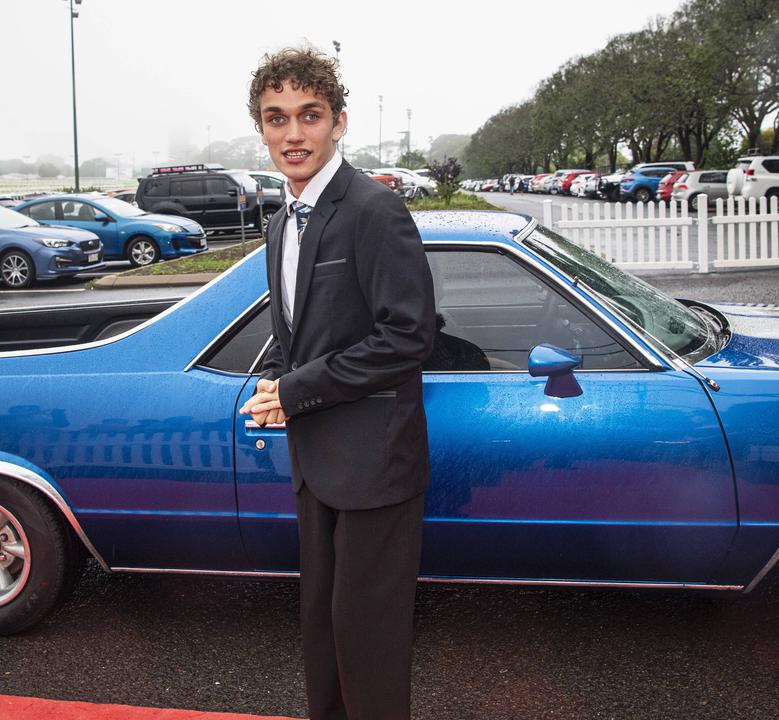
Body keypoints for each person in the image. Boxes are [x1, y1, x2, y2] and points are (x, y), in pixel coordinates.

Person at [239, 47, 436, 720]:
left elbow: (408, 337)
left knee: (368, 642)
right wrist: (275, 382)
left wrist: (298, 392)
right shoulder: (279, 223)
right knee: (322, 635)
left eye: (309, 115)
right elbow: (300, 335)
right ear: (262, 129)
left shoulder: (374, 210)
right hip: (314, 461)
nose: (293, 133)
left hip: (376, 464)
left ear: (338, 121)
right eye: (277, 118)